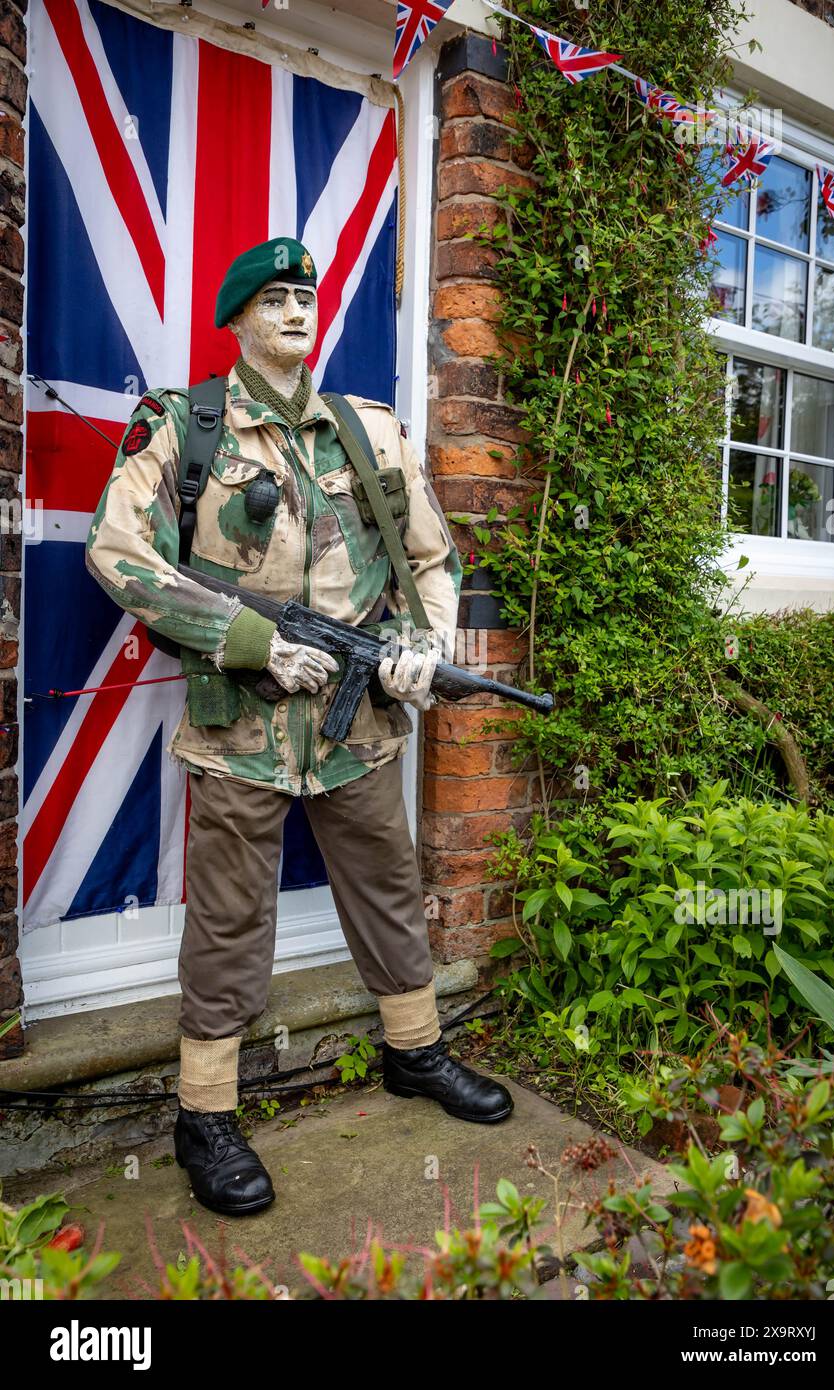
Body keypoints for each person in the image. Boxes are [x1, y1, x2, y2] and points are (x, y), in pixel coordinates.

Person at [85, 236, 513, 1217]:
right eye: (272, 297)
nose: (294, 309)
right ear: (235, 318)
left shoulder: (367, 431)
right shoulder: (182, 427)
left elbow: (432, 556)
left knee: (388, 886)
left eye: (304, 294)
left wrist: (419, 643)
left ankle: (414, 1051)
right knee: (231, 921)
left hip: (355, 717)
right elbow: (117, 556)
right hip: (240, 721)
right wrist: (240, 637)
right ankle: (205, 1115)